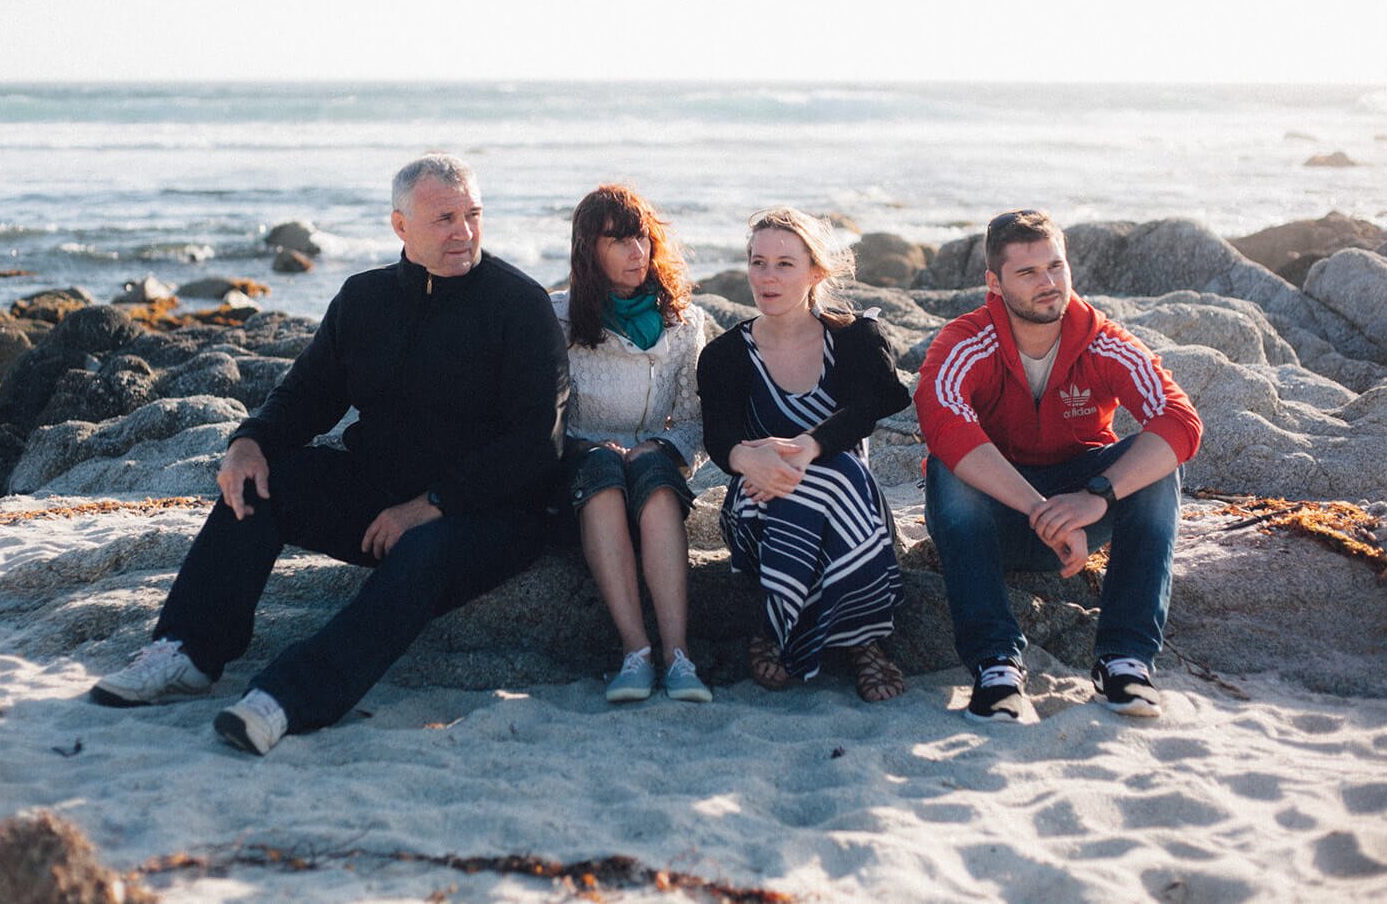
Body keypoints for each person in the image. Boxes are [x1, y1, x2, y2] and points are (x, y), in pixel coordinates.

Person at [89, 154, 569, 755]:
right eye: (445, 217)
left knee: (424, 549)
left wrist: (434, 504)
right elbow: (309, 395)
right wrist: (249, 442)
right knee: (265, 483)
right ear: (401, 226)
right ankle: (188, 653)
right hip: (378, 494)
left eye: (473, 214)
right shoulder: (363, 299)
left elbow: (537, 441)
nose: (464, 232)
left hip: (490, 513)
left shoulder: (520, 305)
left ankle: (285, 699)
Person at [915, 209, 1202, 724]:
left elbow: (1180, 421)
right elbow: (945, 425)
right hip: (994, 517)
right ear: (995, 283)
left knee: (1159, 468)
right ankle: (996, 666)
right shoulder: (963, 342)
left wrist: (1098, 496)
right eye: (1027, 273)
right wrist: (1042, 510)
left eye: (1055, 267)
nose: (1047, 284)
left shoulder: (1103, 340)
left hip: (1084, 509)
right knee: (946, 466)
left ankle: (1124, 660)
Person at [697, 207, 910, 703]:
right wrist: (750, 461)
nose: (767, 277)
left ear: (815, 271)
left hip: (849, 503)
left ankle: (791, 629)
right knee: (804, 487)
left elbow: (867, 409)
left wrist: (806, 448)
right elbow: (719, 437)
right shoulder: (726, 355)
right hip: (757, 501)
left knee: (836, 475)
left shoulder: (856, 337)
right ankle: (860, 640)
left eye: (784, 264)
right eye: (758, 262)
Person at [552, 184, 711, 704]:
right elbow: (547, 417)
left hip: (653, 456)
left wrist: (662, 449)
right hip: (583, 459)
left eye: (641, 237)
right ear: (588, 250)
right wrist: (593, 449)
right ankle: (635, 652)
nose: (635, 251)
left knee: (656, 484)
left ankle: (678, 655)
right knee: (603, 479)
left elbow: (693, 418)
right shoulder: (559, 317)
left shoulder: (684, 321)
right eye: (617, 240)